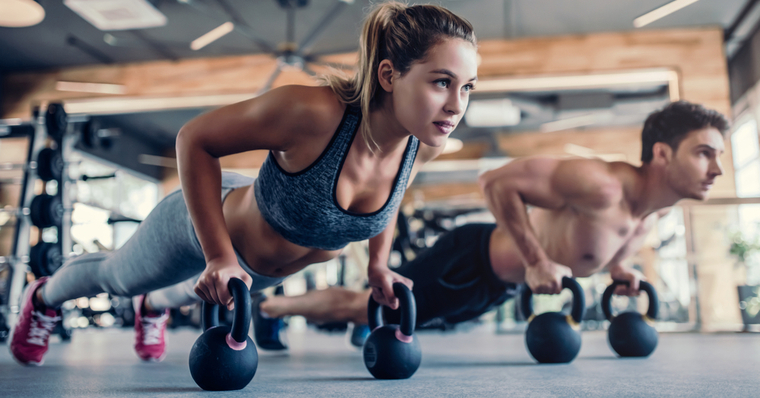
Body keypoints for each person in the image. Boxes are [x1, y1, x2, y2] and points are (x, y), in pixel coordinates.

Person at [9, 0, 479, 366]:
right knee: (117, 279)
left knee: (190, 288)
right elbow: (194, 139)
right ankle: (44, 298)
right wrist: (218, 255)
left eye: (468, 87)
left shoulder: (422, 143)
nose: (457, 105)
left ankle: (154, 308)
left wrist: (378, 265)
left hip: (248, 272)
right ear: (389, 75)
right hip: (204, 223)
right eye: (442, 82)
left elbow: (389, 202)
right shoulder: (312, 114)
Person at [252, 101, 728, 348]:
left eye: (720, 156)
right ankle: (271, 308)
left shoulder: (653, 212)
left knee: (388, 315)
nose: (717, 169)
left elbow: (607, 239)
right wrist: (537, 259)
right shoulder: (600, 183)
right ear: (662, 154)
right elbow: (495, 181)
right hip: (471, 260)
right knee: (366, 308)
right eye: (704, 153)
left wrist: (621, 268)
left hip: (493, 287)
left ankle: (277, 308)